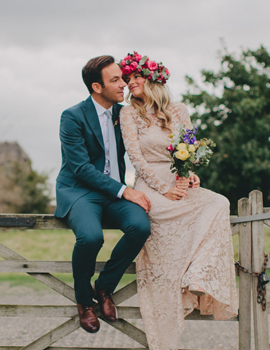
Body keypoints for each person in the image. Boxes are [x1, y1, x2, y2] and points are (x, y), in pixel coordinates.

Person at [118, 52, 238, 350]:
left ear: (154, 79)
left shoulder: (179, 110)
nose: (130, 82)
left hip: (179, 180)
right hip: (151, 185)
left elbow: (186, 149)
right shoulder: (128, 113)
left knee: (218, 203)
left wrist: (191, 174)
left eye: (136, 77)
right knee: (170, 222)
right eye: (127, 78)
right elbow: (136, 160)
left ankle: (197, 276)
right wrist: (163, 189)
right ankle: (176, 286)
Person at [54, 55, 151, 334]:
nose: (124, 83)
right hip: (80, 191)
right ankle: (84, 301)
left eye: (122, 77)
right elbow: (81, 168)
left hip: (114, 193)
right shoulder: (71, 116)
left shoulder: (125, 113)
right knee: (91, 237)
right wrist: (125, 190)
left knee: (140, 227)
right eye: (116, 80)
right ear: (97, 87)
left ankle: (105, 286)